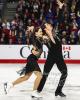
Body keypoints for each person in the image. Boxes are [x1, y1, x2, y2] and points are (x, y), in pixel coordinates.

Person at [31, 21, 68, 98]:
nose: (48, 25)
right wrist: (33, 30)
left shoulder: (55, 33)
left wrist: (60, 9)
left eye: (48, 24)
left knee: (64, 73)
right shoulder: (44, 36)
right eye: (47, 25)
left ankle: (58, 91)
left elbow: (56, 43)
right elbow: (37, 36)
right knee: (45, 75)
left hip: (59, 58)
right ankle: (37, 91)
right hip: (50, 58)